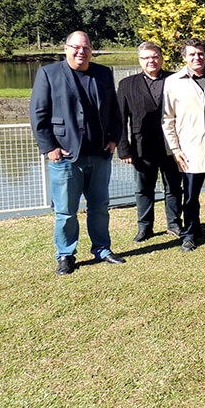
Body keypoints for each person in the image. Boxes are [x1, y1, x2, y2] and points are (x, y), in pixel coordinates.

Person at [30, 31, 125, 275]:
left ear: (92, 50)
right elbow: (38, 115)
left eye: (86, 47)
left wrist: (114, 139)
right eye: (76, 47)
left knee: (100, 207)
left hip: (100, 154)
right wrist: (50, 147)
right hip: (66, 156)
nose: (81, 51)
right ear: (66, 49)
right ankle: (65, 254)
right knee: (65, 212)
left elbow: (115, 110)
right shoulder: (49, 74)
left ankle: (102, 249)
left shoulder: (103, 73)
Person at [162, 38, 205, 252]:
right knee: (190, 196)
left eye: (200, 53)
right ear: (184, 57)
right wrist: (175, 149)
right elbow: (168, 119)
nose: (196, 57)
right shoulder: (174, 82)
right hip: (189, 150)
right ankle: (190, 233)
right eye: (192, 54)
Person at [116, 41, 182, 242]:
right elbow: (120, 118)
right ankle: (145, 227)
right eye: (146, 58)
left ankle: (174, 223)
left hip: (172, 145)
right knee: (144, 189)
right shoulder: (127, 84)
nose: (151, 61)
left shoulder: (175, 80)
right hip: (141, 146)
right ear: (139, 61)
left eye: (154, 56)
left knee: (173, 187)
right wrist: (123, 149)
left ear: (161, 58)